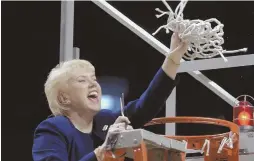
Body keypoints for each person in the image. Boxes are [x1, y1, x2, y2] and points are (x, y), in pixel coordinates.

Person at [32, 33, 188, 161]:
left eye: (94, 79)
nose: (93, 84)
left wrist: (173, 59)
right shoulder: (52, 129)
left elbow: (145, 106)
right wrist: (103, 151)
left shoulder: (107, 120)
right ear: (64, 98)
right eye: (82, 80)